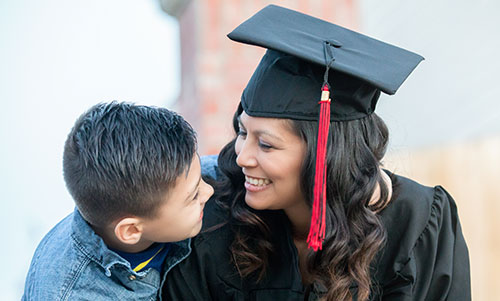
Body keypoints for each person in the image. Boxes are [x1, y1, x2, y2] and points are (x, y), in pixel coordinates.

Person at [162, 5, 471, 301]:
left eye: (266, 144)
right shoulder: (212, 219)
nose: (242, 156)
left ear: (327, 153)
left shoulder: (418, 224)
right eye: (242, 132)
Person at [23, 102, 214, 300]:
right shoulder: (73, 293)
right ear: (131, 230)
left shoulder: (170, 183)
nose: (209, 191)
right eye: (193, 196)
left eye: (201, 178)